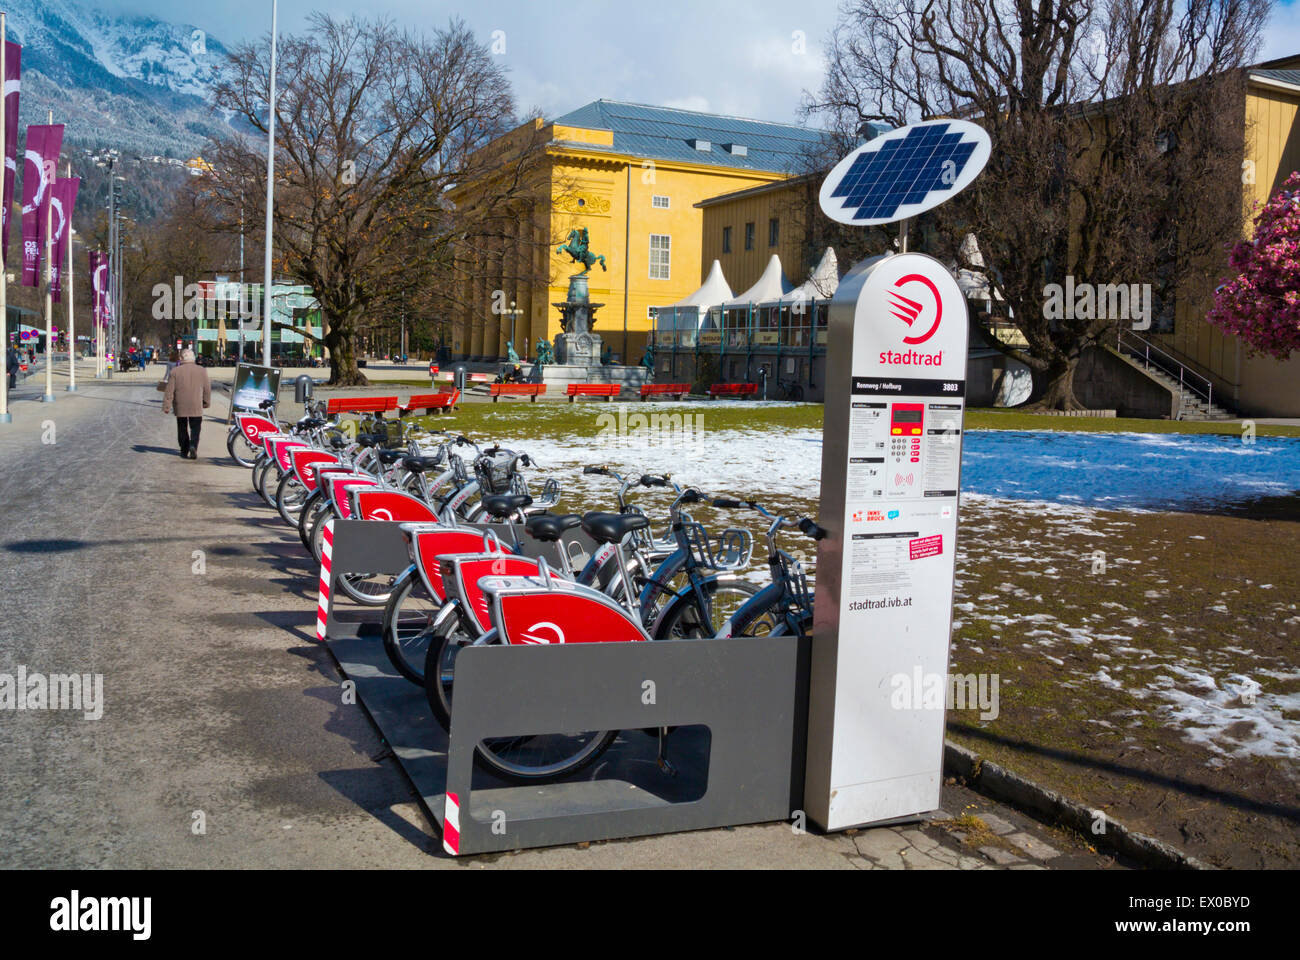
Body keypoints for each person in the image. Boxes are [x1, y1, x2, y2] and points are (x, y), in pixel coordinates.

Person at [162, 348, 211, 459]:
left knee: (182, 427)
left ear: (182, 358)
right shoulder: (202, 370)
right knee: (196, 427)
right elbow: (207, 388)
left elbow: (170, 390)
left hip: (180, 404)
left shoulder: (175, 371)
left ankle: (184, 448)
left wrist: (166, 406)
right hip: (196, 404)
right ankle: (193, 445)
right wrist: (206, 402)